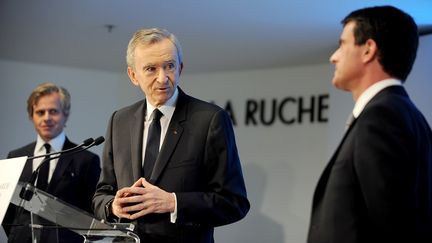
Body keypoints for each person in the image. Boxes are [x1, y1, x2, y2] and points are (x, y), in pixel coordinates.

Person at [92, 28, 250, 243]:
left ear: (181, 68)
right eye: (151, 68)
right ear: (133, 75)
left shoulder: (210, 120)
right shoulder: (119, 121)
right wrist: (113, 207)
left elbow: (234, 203)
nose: (162, 78)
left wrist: (173, 202)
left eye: (169, 66)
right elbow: (102, 194)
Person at [307, 5, 432, 243]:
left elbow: (392, 225)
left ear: (368, 50)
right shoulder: (401, 114)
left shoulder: (383, 117)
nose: (333, 56)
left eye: (343, 44)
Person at [2, 82, 101, 243]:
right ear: (31, 116)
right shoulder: (16, 157)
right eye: (40, 112)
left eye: (53, 111)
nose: (46, 118)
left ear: (65, 114)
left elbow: (92, 214)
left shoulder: (86, 160)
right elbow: (7, 211)